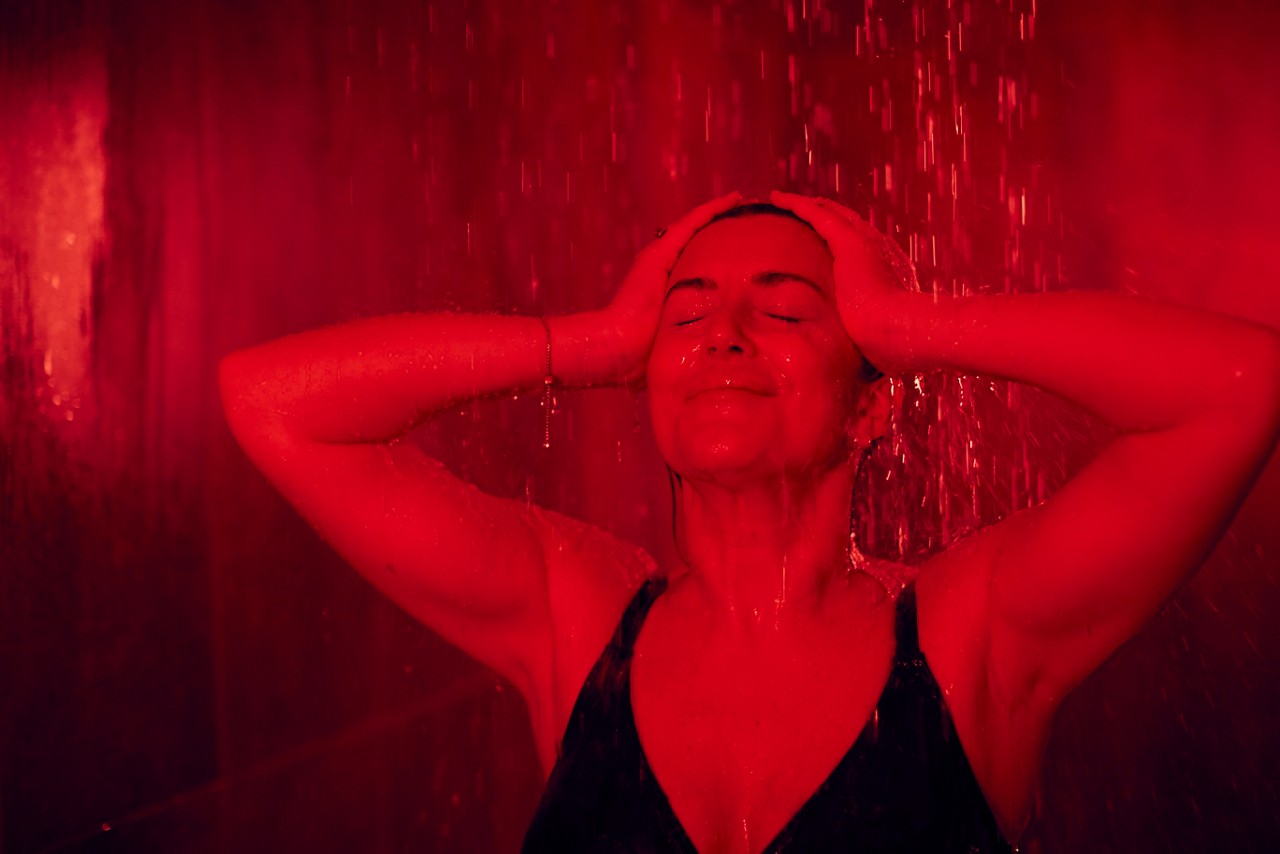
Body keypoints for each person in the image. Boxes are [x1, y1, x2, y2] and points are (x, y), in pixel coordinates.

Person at [218, 190, 1280, 853]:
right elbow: (272, 402)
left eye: (782, 312)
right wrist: (580, 341)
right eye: (681, 315)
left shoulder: (970, 638)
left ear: (872, 400)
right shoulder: (578, 615)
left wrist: (916, 323)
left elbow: (1236, 387)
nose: (721, 333)